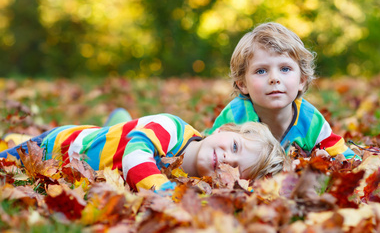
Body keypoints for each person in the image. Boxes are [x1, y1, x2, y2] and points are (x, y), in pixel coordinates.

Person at [0, 113, 286, 191]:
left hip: (92, 164)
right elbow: (134, 156)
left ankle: (119, 119)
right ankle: (18, 140)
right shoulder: (170, 127)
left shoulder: (198, 185)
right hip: (60, 145)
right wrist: (162, 190)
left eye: (235, 168)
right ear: (223, 131)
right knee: (6, 162)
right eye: (234, 147)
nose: (227, 159)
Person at [205, 22, 359, 160]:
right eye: (261, 71)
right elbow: (206, 151)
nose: (274, 78)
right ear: (242, 84)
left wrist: (321, 162)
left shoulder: (310, 120)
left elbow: (348, 159)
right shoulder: (235, 116)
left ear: (302, 80)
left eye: (285, 69)